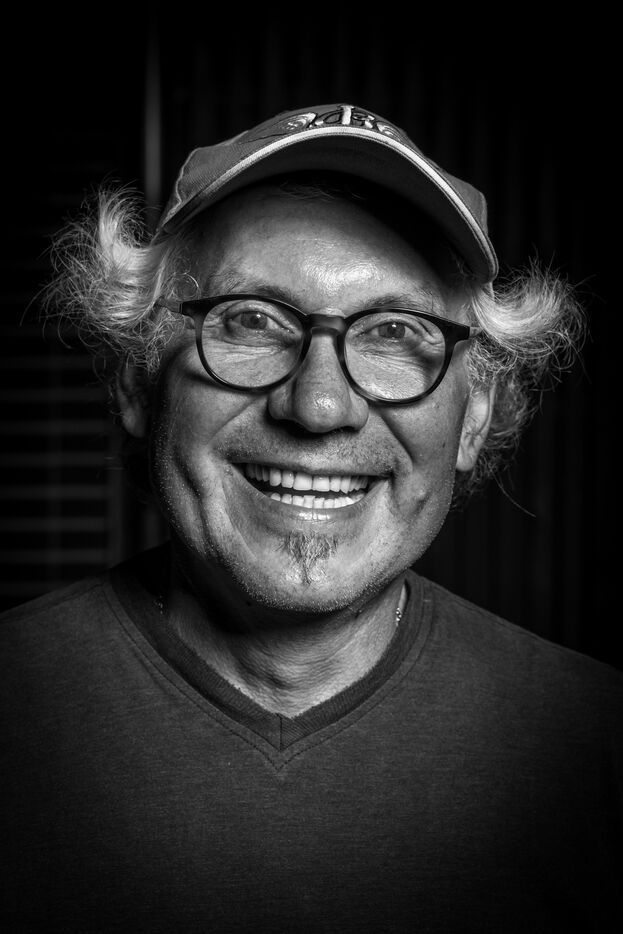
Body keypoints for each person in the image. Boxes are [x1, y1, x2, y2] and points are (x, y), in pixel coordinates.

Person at [1, 102, 620, 932]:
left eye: (394, 332)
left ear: (473, 417)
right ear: (135, 380)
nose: (319, 405)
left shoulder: (595, 744)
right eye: (251, 320)